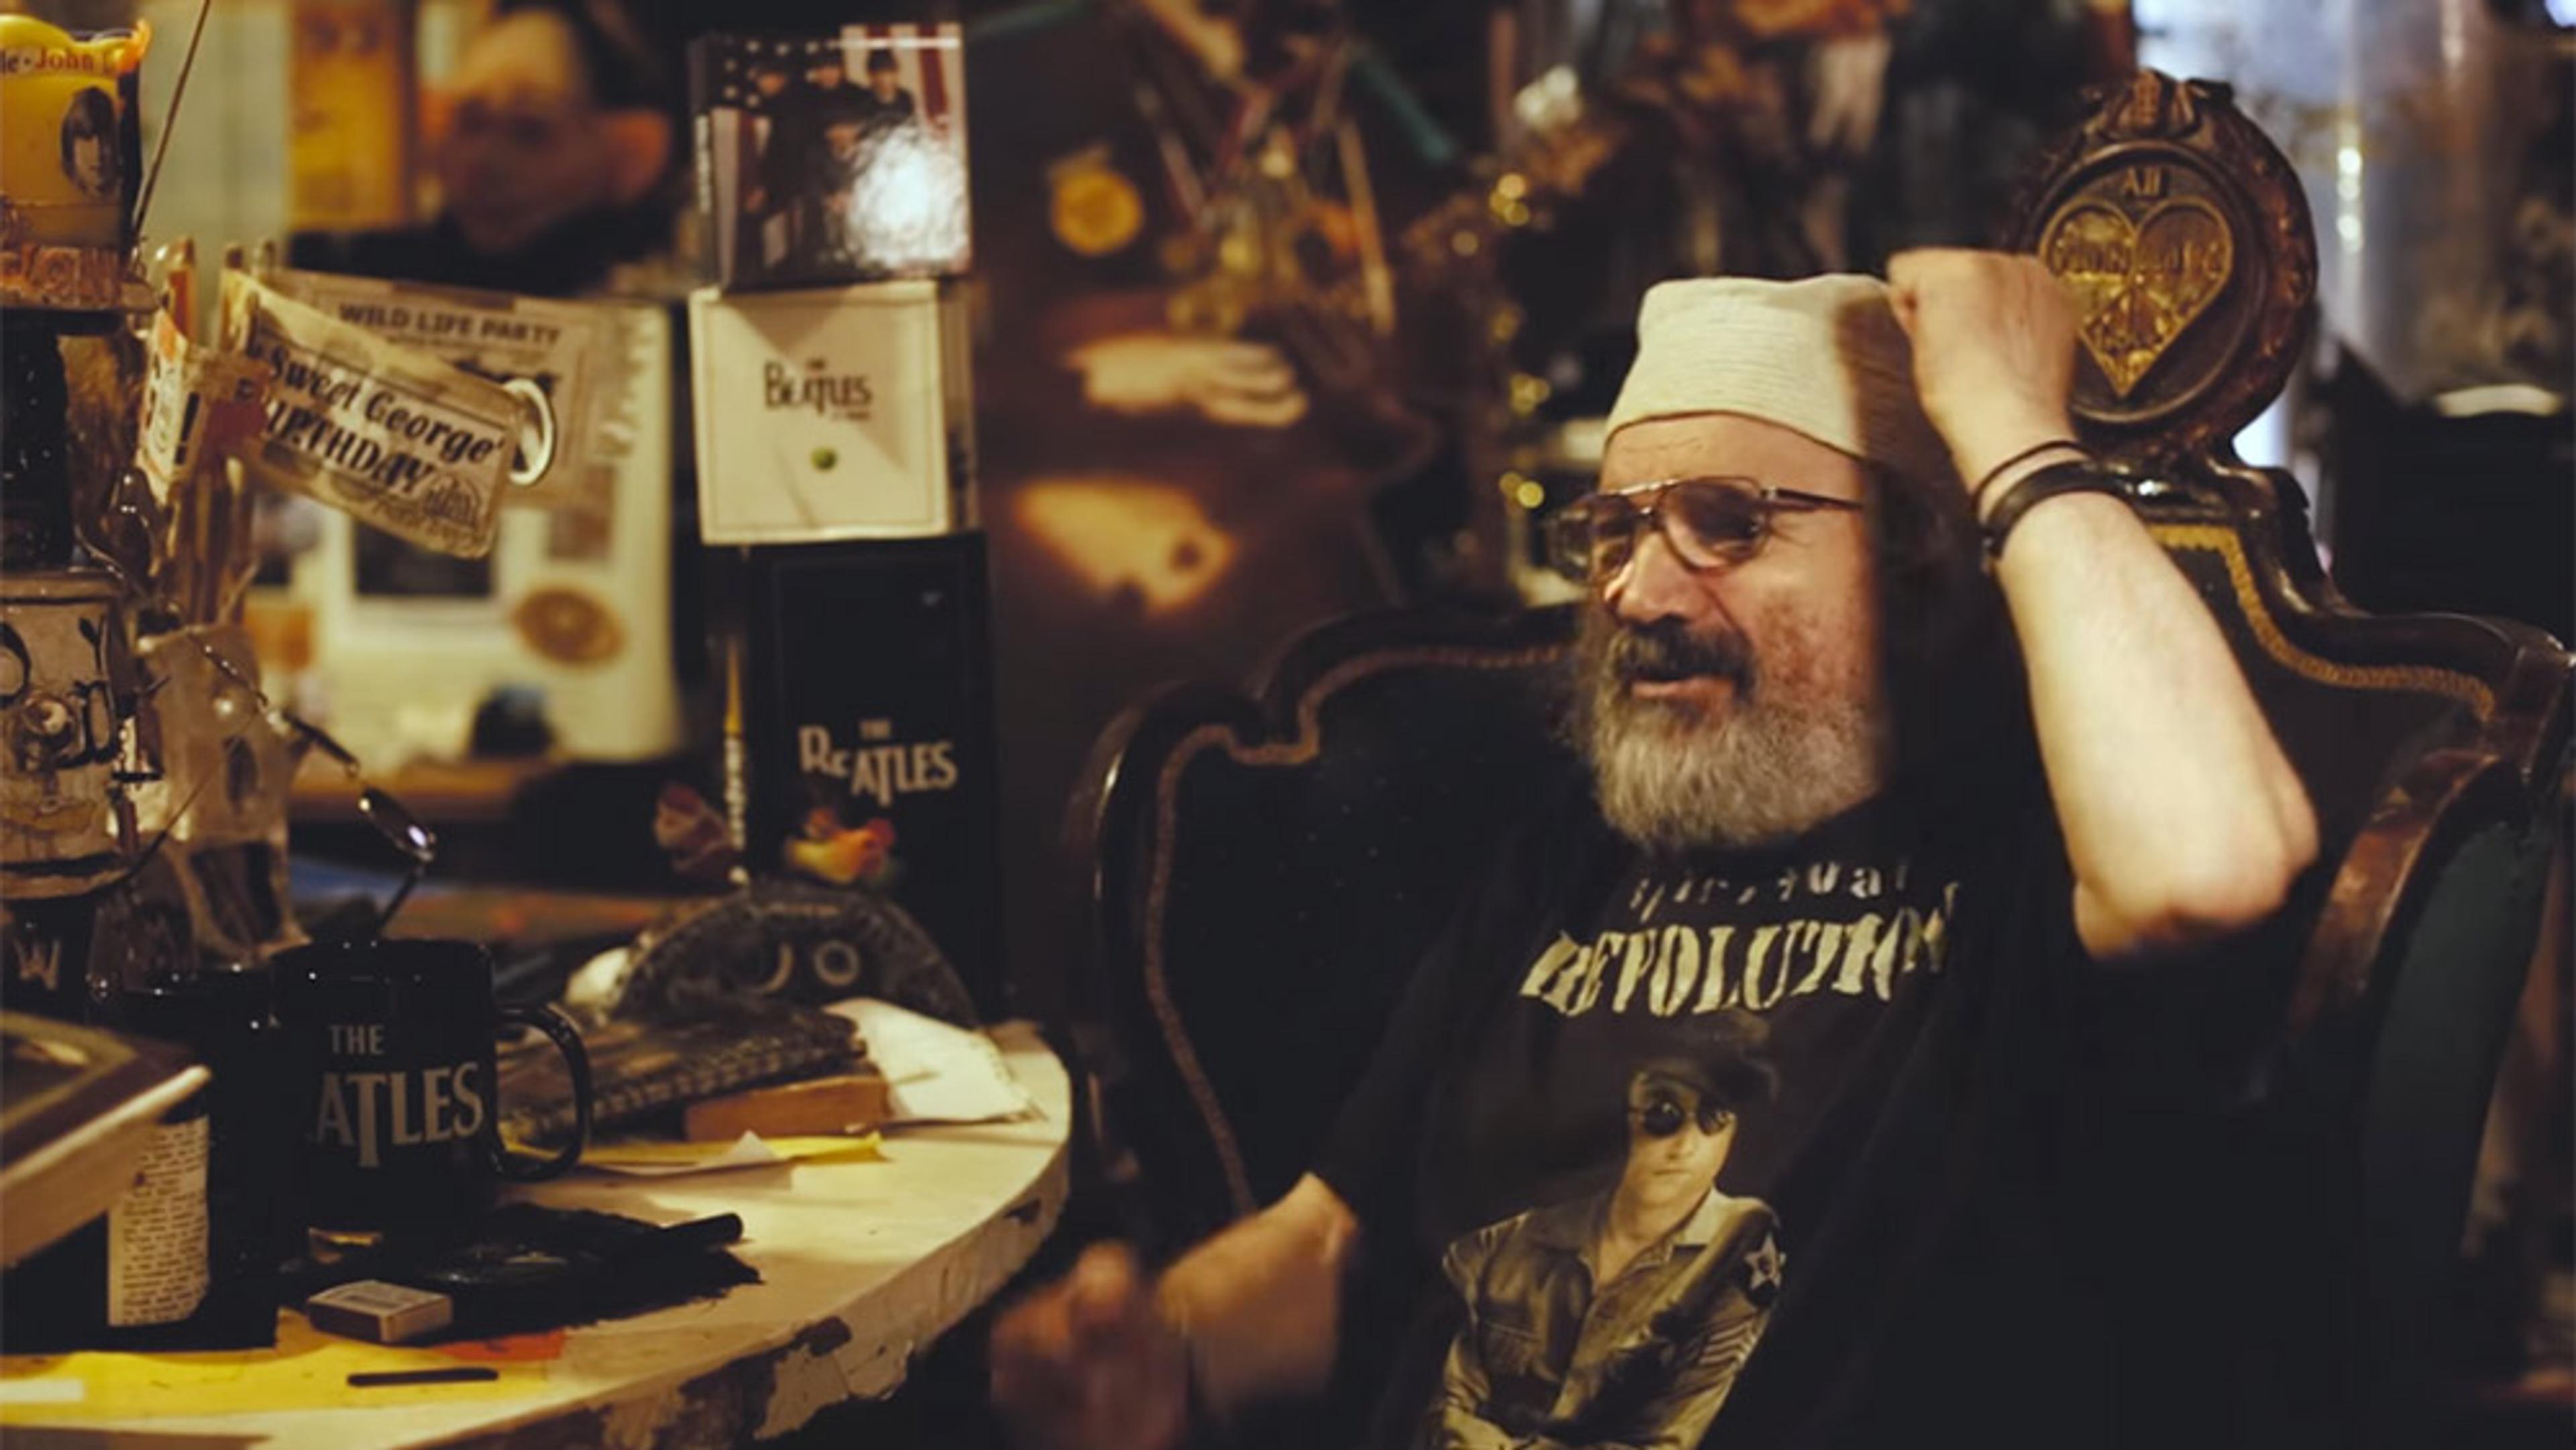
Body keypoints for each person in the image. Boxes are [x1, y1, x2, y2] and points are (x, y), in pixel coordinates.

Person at [990, 251, 2327, 1449]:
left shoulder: (2034, 842)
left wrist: (2015, 433)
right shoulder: (1566, 854)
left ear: (1917, 559)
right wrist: (1157, 1351)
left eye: (1728, 521)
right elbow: (1331, 1244)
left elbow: (2209, 865)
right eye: (1617, 530)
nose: (1635, 588)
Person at [1438, 1030, 1782, 1449]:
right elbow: (1442, 1411)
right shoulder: (1501, 1248)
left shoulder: (1741, 1242)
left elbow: (1670, 1440)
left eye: (1715, 1118)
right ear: (1620, 1120)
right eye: (1663, 1113)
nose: (1686, 1146)